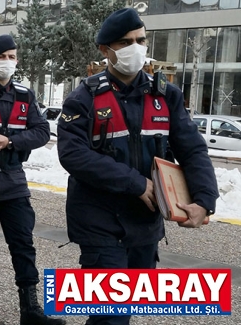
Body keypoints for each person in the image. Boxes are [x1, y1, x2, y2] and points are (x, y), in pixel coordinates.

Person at [57, 8, 218, 325]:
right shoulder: (84, 98)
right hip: (100, 223)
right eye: (125, 42)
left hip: (145, 227)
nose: (136, 48)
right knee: (111, 317)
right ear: (105, 50)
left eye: (140, 40)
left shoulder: (166, 96)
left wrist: (205, 199)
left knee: (123, 312)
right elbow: (72, 155)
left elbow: (193, 149)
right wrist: (136, 183)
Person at [0, 35, 66, 325]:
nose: (9, 62)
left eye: (13, 56)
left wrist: (10, 142)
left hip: (13, 180)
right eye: (3, 56)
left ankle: (30, 309)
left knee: (23, 244)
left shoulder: (24, 94)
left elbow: (42, 131)